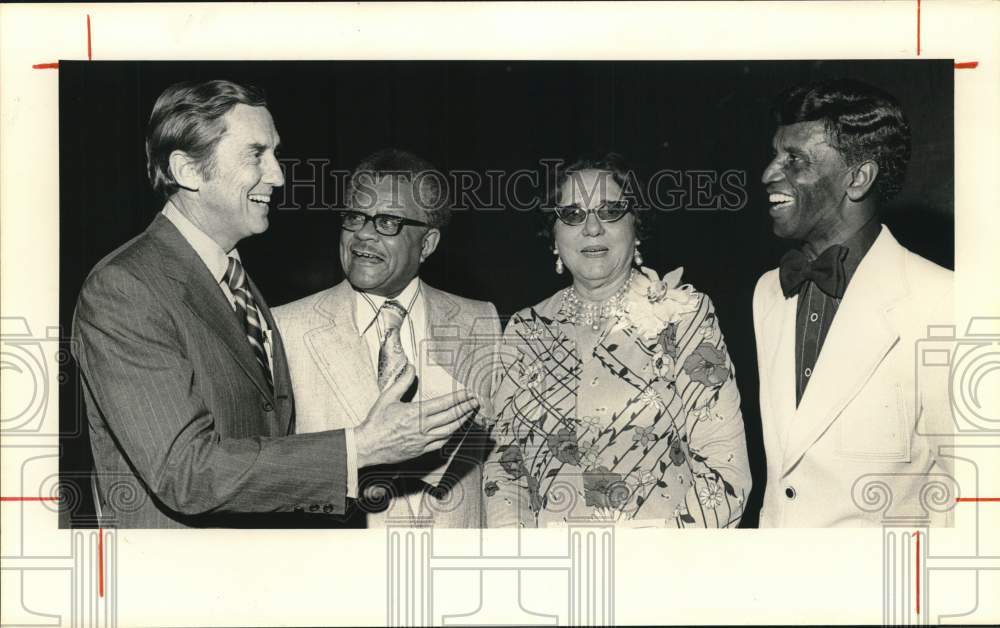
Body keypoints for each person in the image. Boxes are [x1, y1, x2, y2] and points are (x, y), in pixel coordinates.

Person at [72, 81, 479, 528]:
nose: (279, 176)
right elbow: (184, 473)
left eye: (275, 154)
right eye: (256, 154)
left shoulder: (237, 282)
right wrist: (359, 447)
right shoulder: (126, 288)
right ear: (188, 170)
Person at [484, 154, 752, 527]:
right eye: (573, 215)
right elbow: (504, 466)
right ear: (554, 236)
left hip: (662, 570)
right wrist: (520, 562)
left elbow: (727, 472)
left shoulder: (685, 316)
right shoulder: (525, 329)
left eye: (610, 211)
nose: (592, 228)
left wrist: (650, 565)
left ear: (636, 227)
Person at [754, 79, 954, 527]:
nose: (769, 173)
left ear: (858, 178)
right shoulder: (768, 292)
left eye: (795, 161)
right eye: (774, 154)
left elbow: (974, 494)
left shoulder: (944, 301)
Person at [275, 148, 500, 527]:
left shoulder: (482, 320)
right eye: (354, 217)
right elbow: (271, 471)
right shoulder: (285, 328)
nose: (363, 233)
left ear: (427, 244)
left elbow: (500, 465)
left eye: (388, 222)